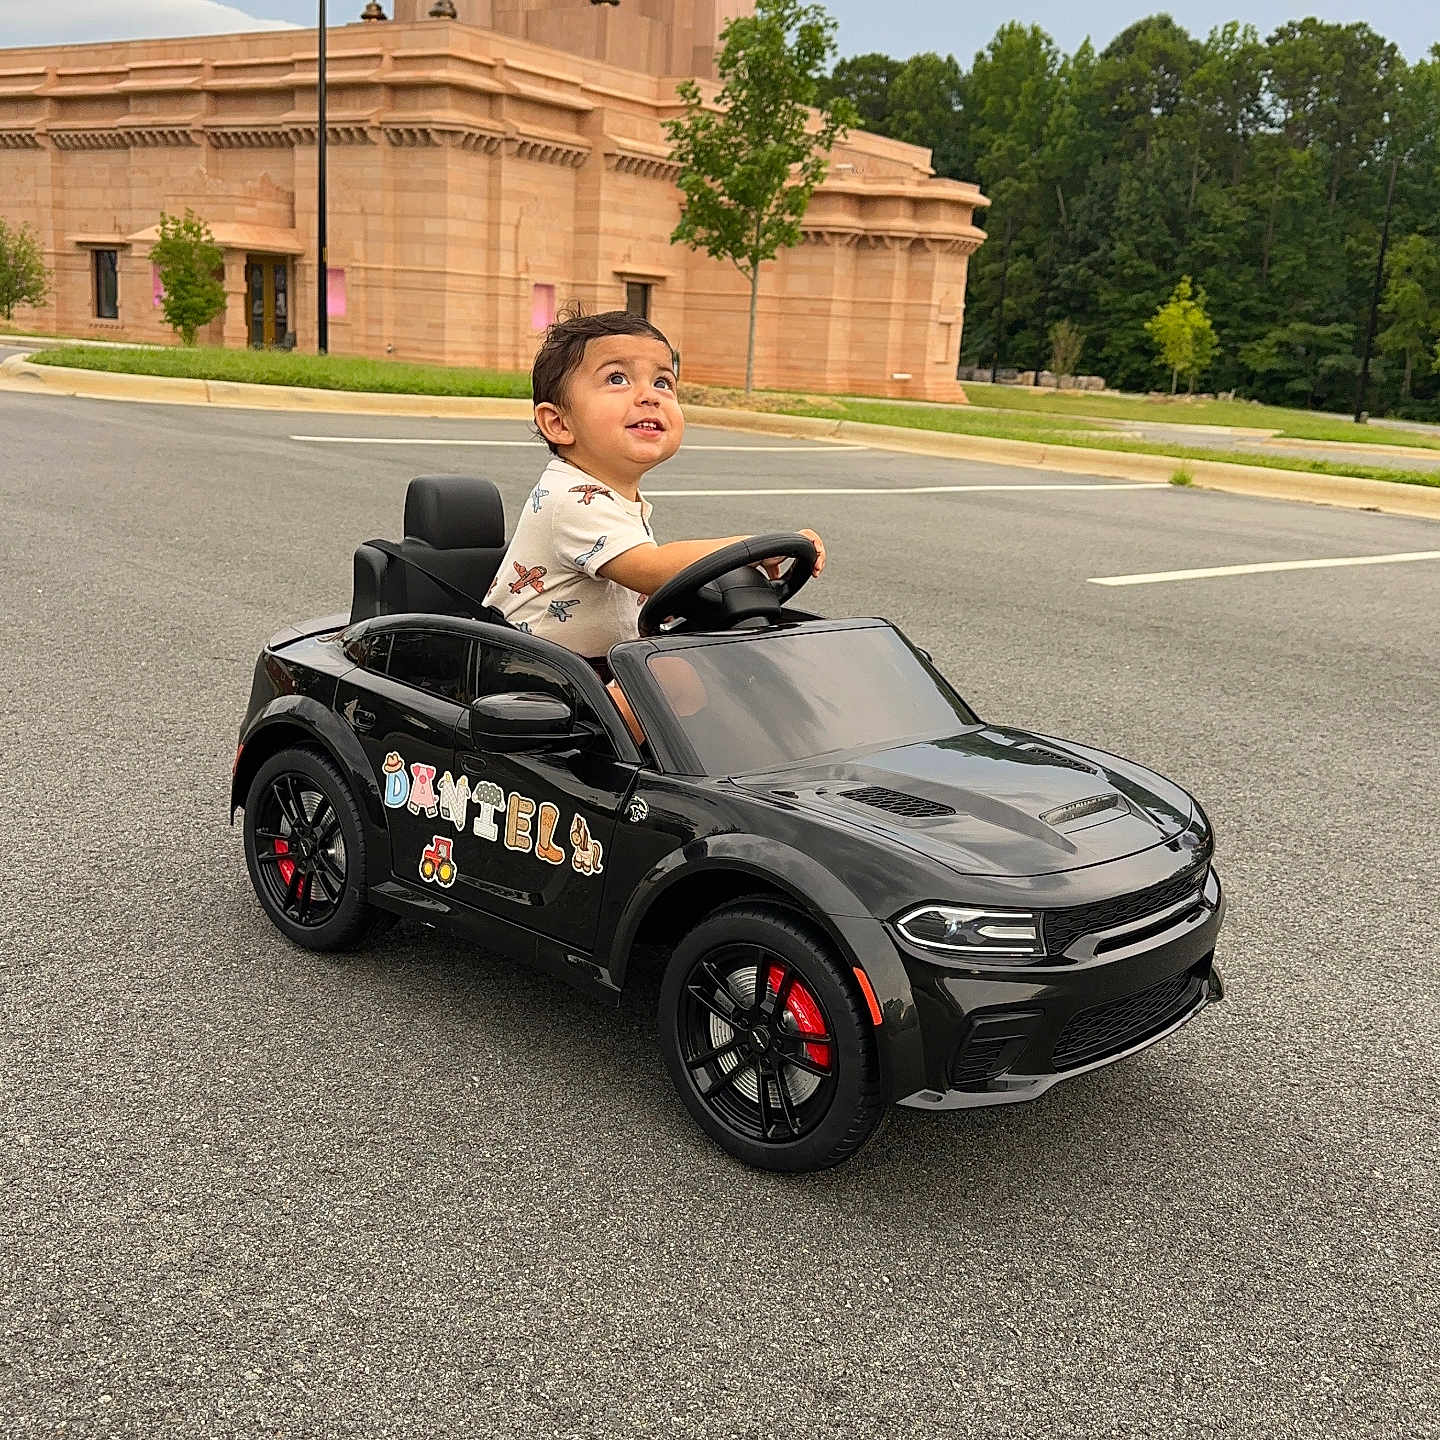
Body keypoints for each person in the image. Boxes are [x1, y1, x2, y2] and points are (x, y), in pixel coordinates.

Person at [484, 308, 826, 741]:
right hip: (532, 682)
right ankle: (609, 773)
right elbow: (652, 567)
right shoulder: (570, 498)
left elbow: (646, 590)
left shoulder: (615, 500)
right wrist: (752, 545)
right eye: (617, 379)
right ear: (558, 422)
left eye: (663, 382)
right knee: (670, 674)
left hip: (595, 667)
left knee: (695, 663)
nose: (650, 396)